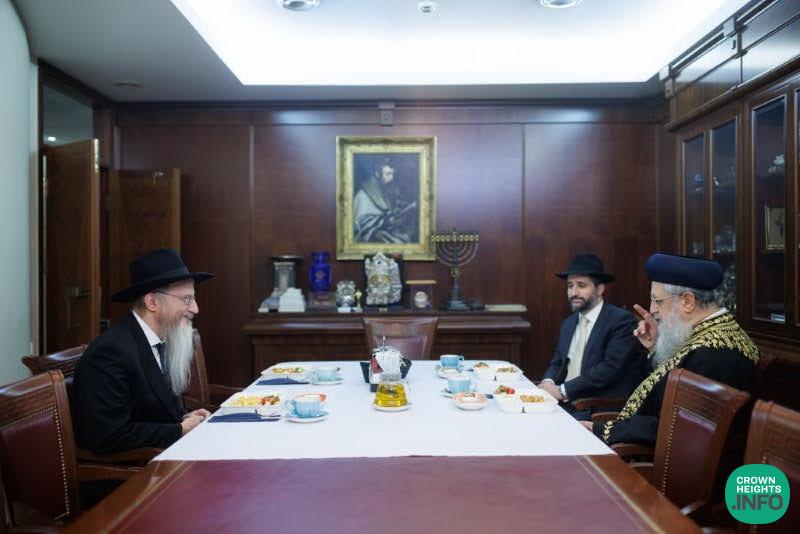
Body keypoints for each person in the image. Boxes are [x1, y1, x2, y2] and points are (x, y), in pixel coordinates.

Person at [587, 253, 760, 445]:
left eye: (658, 301)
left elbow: (675, 429)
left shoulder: (715, 355)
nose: (652, 310)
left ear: (687, 302)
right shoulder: (708, 333)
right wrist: (654, 348)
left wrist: (600, 430)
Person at [74, 248, 214, 453]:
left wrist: (185, 418)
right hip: (135, 468)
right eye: (186, 299)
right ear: (152, 302)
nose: (195, 308)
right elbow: (110, 435)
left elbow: (155, 410)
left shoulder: (159, 340)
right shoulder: (109, 353)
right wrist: (179, 430)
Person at [539, 254, 646, 414]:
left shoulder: (621, 321)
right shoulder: (569, 323)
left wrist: (562, 391)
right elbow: (558, 362)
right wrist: (547, 383)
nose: (573, 292)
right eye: (570, 286)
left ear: (600, 289)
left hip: (594, 408)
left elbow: (609, 370)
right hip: (562, 404)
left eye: (581, 285)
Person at [353, 161, 417, 243]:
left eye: (393, 174)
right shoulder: (362, 195)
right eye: (388, 174)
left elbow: (394, 209)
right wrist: (387, 221)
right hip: (372, 237)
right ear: (377, 174)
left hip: (390, 232)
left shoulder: (387, 190)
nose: (391, 178)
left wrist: (400, 213)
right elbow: (361, 225)